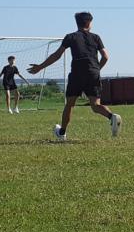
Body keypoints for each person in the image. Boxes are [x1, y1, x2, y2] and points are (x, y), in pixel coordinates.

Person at [28, 11, 121, 141]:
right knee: (95, 105)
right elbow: (105, 56)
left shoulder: (70, 37)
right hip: (93, 73)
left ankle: (62, 132)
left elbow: (57, 55)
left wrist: (40, 67)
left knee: (70, 104)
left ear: (77, 23)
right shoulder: (96, 37)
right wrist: (96, 70)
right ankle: (112, 117)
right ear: (89, 23)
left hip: (77, 73)